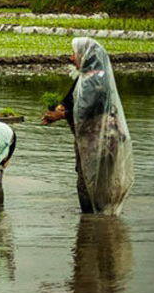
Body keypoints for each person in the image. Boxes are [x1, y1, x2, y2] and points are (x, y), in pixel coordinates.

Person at [42, 37, 134, 215]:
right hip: (95, 140)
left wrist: (61, 115)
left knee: (90, 182)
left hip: (100, 142)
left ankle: (92, 225)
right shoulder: (87, 77)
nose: (71, 58)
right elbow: (73, 100)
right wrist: (61, 106)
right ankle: (100, 223)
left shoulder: (95, 81)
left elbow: (85, 111)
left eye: (74, 54)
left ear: (85, 55)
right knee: (93, 180)